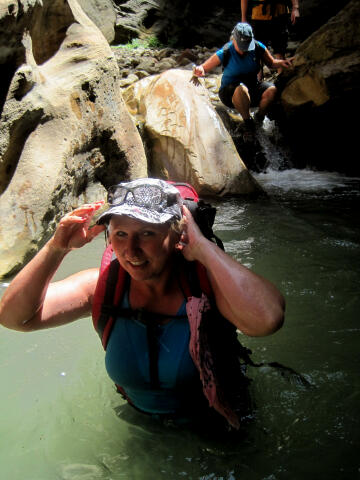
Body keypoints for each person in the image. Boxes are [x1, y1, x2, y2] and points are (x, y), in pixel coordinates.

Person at [0, 178, 285, 430]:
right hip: (141, 425)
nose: (131, 250)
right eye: (121, 234)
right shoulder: (102, 287)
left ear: (178, 236)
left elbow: (267, 319)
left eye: (147, 233)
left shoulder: (208, 288)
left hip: (219, 424)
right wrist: (55, 249)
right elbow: (14, 318)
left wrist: (203, 248)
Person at [192, 23, 292, 139]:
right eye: (241, 45)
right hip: (230, 93)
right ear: (233, 39)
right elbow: (204, 68)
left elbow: (272, 63)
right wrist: (200, 70)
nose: (244, 49)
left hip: (252, 87)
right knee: (241, 88)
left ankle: (259, 118)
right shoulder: (226, 51)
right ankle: (248, 122)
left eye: (246, 45)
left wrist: (283, 63)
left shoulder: (258, 47)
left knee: (273, 90)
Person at [241, 0, 300, 71]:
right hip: (259, 16)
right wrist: (243, 17)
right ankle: (259, 79)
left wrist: (295, 8)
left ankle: (281, 77)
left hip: (279, 14)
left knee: (280, 50)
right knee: (258, 52)